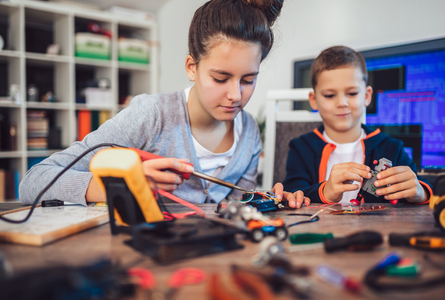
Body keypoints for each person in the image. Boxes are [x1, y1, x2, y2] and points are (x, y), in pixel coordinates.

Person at [20, 0, 308, 208]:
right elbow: (34, 181)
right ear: (191, 67)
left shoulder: (248, 133)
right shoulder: (151, 116)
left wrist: (269, 200)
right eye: (221, 78)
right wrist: (118, 188)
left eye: (248, 80)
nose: (236, 95)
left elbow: (235, 206)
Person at [283, 46, 432, 205]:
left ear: (367, 96)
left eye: (352, 93)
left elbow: (420, 187)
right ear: (313, 100)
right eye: (329, 95)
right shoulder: (301, 148)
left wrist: (419, 192)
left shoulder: (391, 148)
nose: (342, 103)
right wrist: (324, 192)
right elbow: (293, 194)